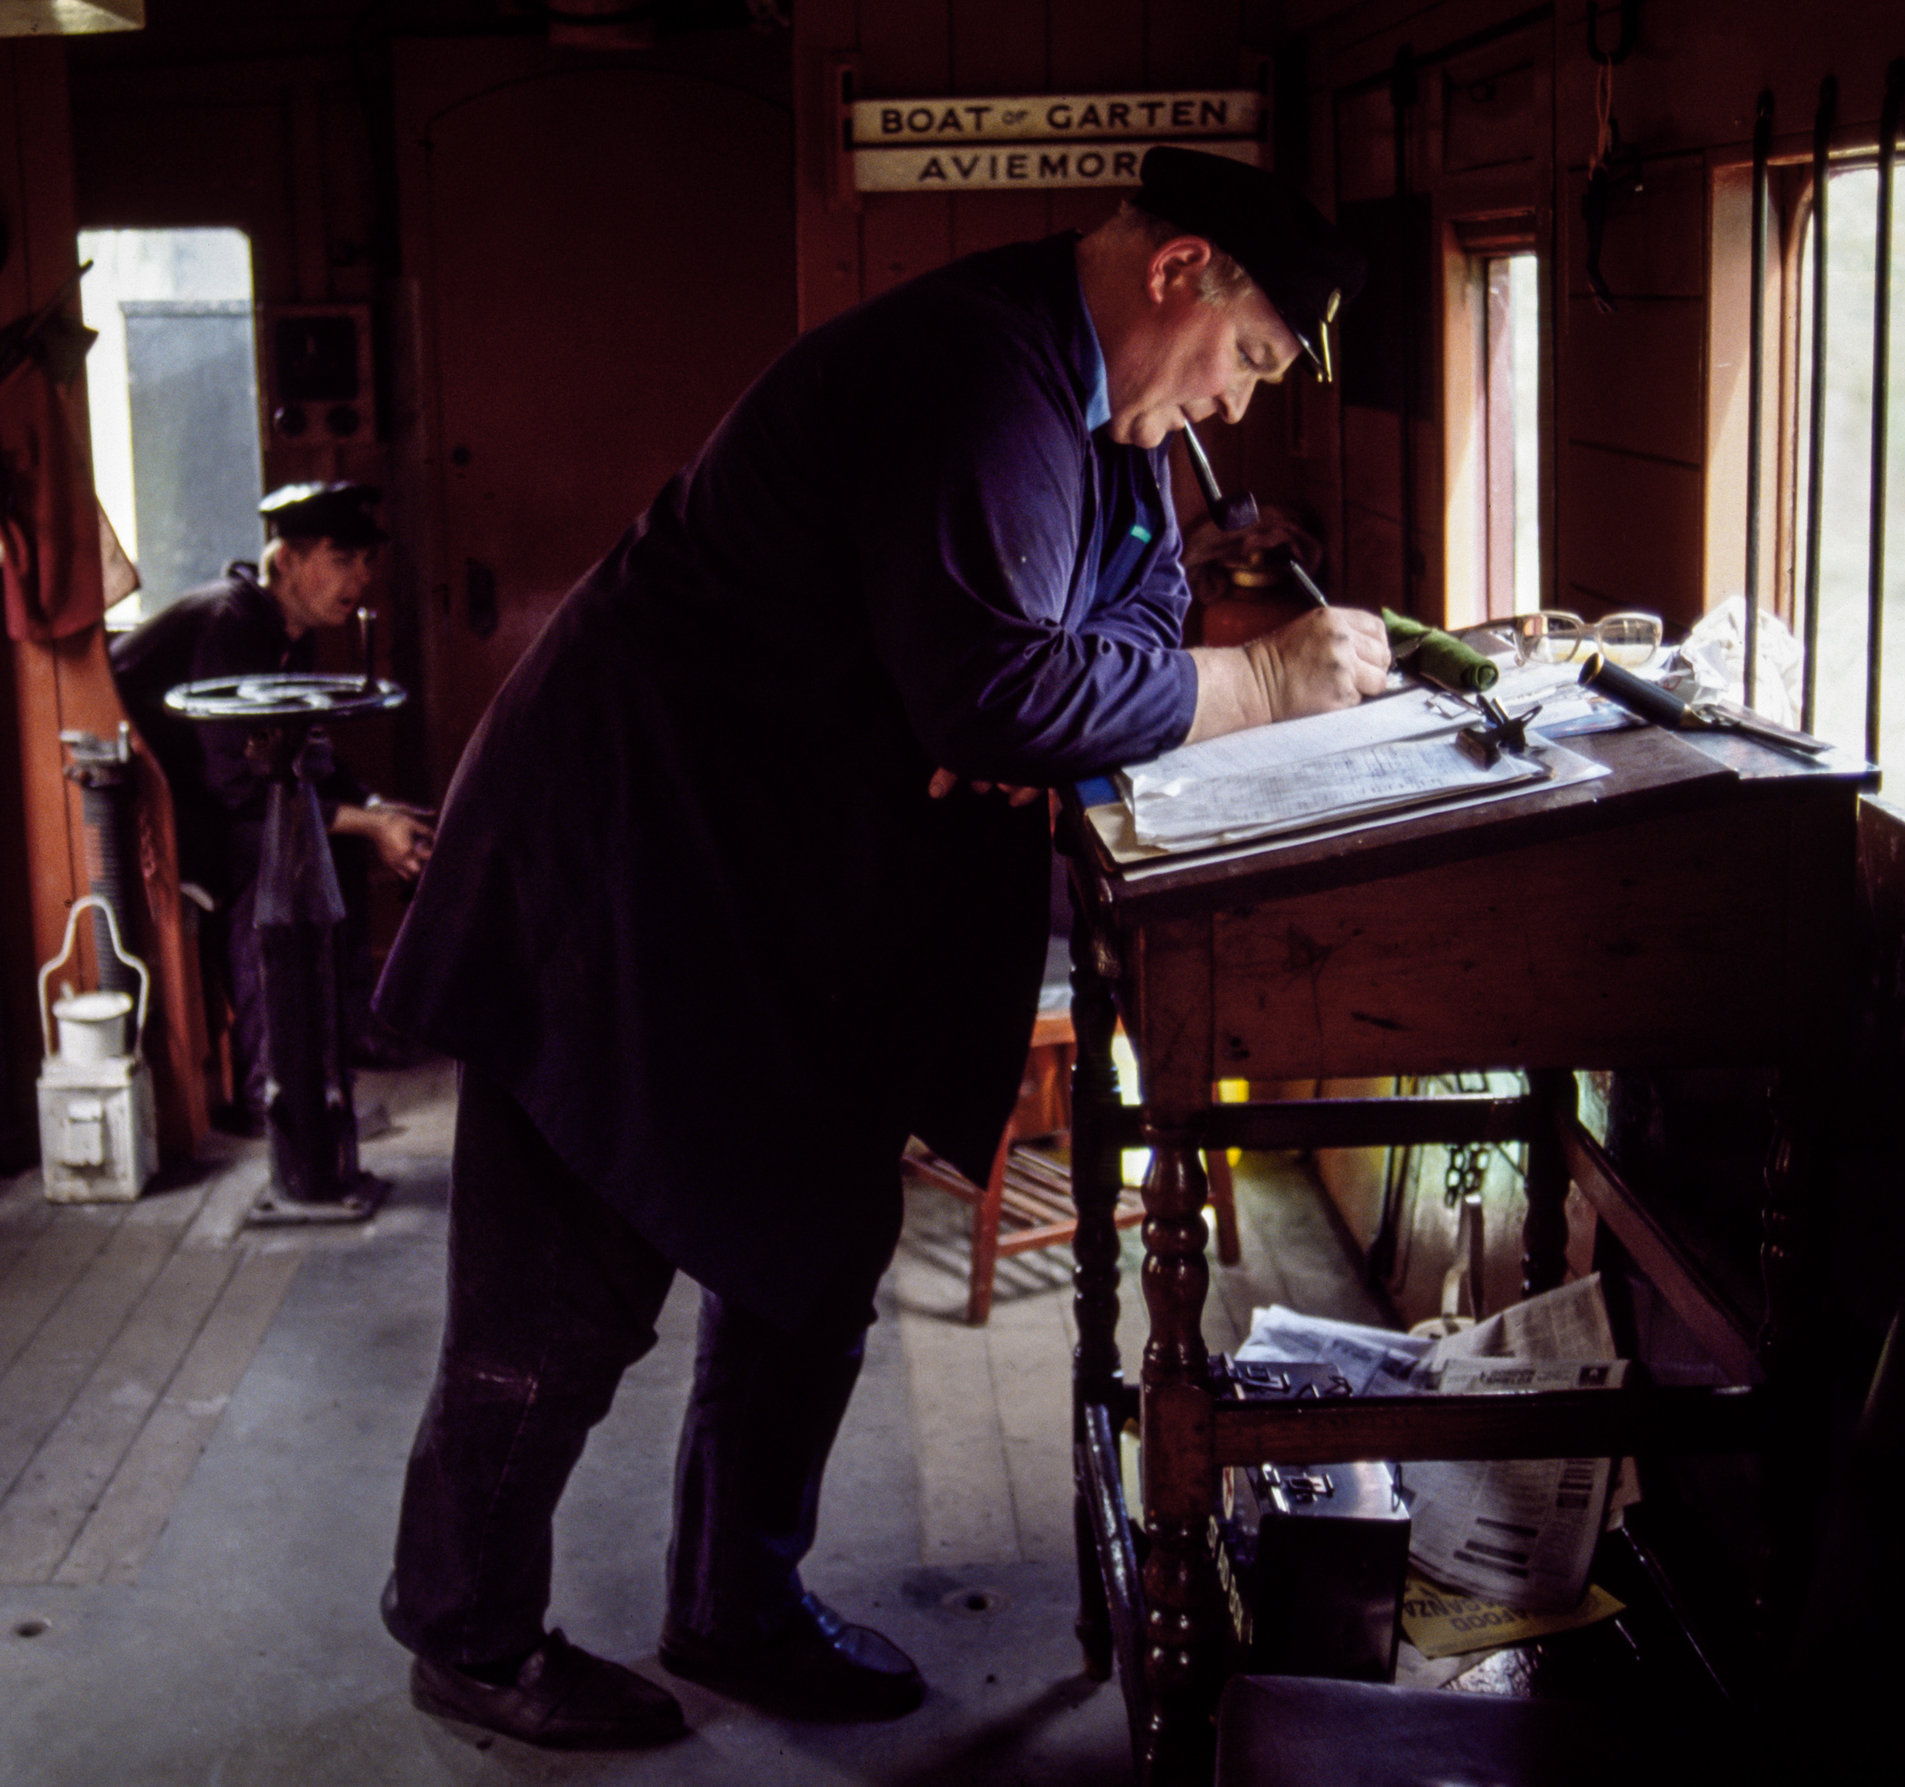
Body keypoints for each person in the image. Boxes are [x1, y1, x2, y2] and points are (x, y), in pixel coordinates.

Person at [369, 148, 1386, 1748]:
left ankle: (734, 1602)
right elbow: (999, 695)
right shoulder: (978, 376)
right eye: (1250, 361)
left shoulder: (1112, 422)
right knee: (560, 1296)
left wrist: (1087, 687)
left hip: (773, 887)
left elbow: (1111, 646)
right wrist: (1255, 689)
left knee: (810, 1251)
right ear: (1184, 272)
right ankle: (469, 1629)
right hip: (619, 863)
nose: (1238, 411)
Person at [110, 482, 434, 1146]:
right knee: (274, 856)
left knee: (327, 839)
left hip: (208, 799)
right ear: (284, 561)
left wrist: (376, 809)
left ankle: (345, 1031)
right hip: (153, 813)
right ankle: (269, 1088)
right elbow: (235, 784)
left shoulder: (289, 631)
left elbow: (305, 754)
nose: (361, 578)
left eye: (366, 562)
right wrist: (371, 826)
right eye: (342, 559)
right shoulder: (232, 624)